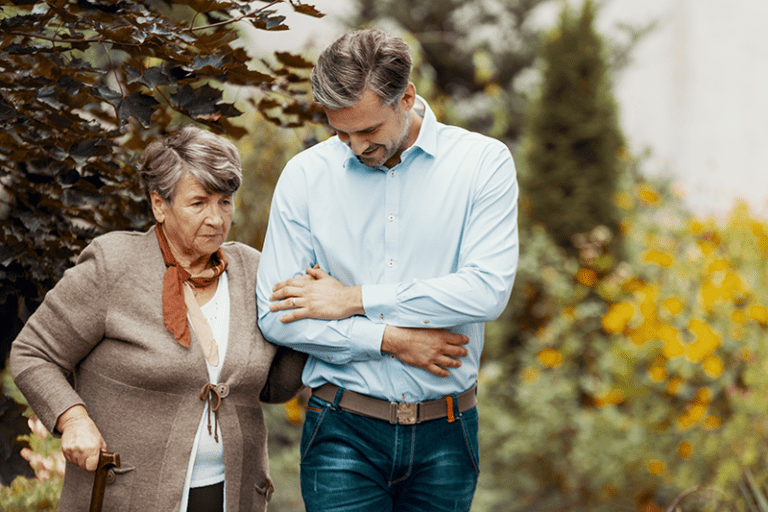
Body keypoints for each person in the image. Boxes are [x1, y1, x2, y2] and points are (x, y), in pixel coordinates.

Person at [256, 28, 519, 512]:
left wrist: (354, 299)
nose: (355, 147)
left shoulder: (483, 164)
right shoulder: (306, 176)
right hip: (342, 429)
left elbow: (486, 290)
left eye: (369, 131)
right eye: (341, 132)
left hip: (447, 437)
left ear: (407, 98)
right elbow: (276, 314)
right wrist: (390, 339)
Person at [11, 126, 307, 512]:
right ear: (159, 204)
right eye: (198, 203)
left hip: (231, 496)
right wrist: (73, 418)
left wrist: (306, 327)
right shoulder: (113, 265)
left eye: (225, 201)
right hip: (128, 497)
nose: (216, 219)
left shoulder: (252, 270)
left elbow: (270, 387)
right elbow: (33, 353)